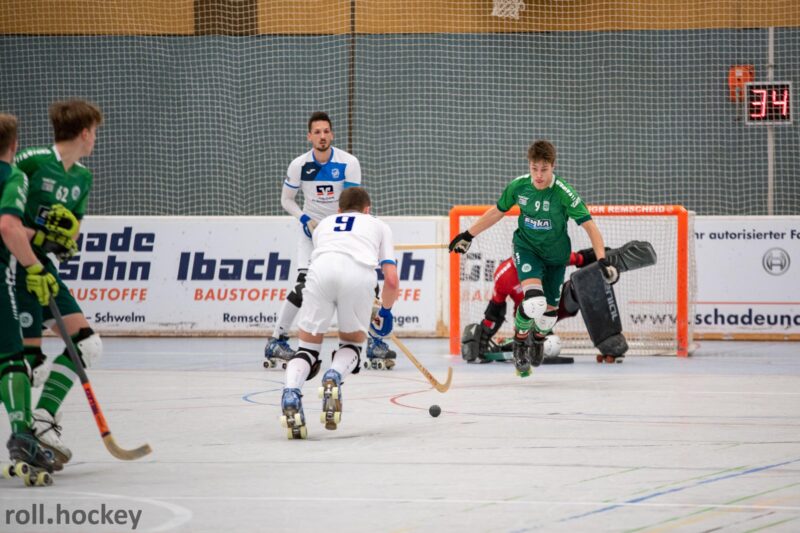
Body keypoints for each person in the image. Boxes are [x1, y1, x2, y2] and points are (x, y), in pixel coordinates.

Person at [449, 140, 618, 377]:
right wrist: (468, 235)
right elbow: (497, 211)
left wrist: (602, 260)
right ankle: (520, 343)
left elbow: (590, 227)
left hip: (556, 257)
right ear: (529, 165)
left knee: (548, 316)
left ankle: (537, 340)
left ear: (553, 166)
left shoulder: (564, 193)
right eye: (534, 168)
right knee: (533, 302)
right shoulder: (519, 187)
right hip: (527, 249)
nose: (538, 175)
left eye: (544, 170)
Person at [264, 112, 399, 371]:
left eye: (326, 131)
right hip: (311, 235)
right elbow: (286, 200)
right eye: (317, 132)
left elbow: (351, 202)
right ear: (309, 136)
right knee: (303, 286)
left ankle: (374, 341)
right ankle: (276, 340)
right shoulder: (299, 165)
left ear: (332, 134)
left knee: (366, 284)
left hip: (342, 235)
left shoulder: (348, 163)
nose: (322, 136)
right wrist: (305, 219)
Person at [13, 100, 103, 470]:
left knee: (87, 344)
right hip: (13, 266)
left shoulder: (82, 177)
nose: (95, 139)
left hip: (43, 269)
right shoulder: (31, 161)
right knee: (22, 362)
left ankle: (43, 419)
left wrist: (64, 239)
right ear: (84, 133)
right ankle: (23, 432)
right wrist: (38, 233)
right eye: (94, 132)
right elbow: (8, 217)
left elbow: (72, 231)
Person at [279, 187, 399, 439]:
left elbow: (335, 259)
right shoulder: (378, 225)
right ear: (368, 209)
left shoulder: (324, 225)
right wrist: (386, 312)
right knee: (351, 345)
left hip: (319, 272)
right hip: (358, 275)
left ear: (339, 209)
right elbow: (391, 280)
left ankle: (290, 392)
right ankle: (333, 376)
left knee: (307, 349)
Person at [0, 113, 58, 484]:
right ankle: (23, 437)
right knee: (11, 359)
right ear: (15, 145)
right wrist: (34, 267)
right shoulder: (13, 176)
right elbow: (9, 226)